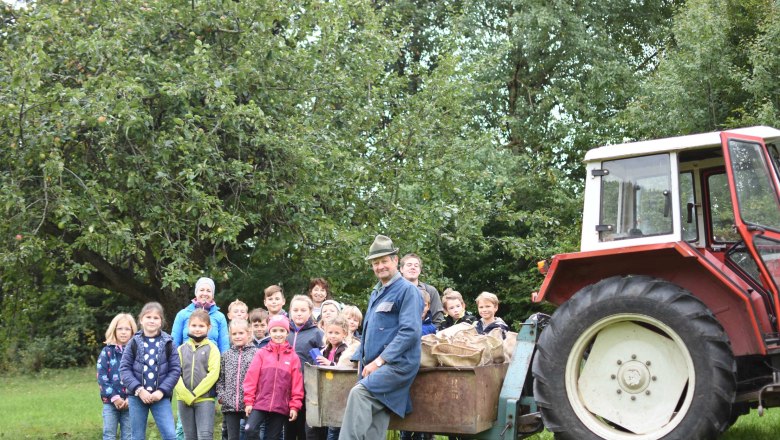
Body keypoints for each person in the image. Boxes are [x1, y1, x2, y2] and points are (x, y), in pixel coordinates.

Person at [340, 235, 423, 440]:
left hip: (397, 365)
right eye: (375, 263)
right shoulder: (377, 292)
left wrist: (379, 361)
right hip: (374, 365)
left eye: (384, 261)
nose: (380, 266)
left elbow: (410, 332)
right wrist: (359, 360)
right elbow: (369, 331)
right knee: (375, 420)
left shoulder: (408, 291)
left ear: (395, 261)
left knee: (359, 394)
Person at [120, 302, 181, 440]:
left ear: (161, 322)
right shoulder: (133, 342)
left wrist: (161, 391)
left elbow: (175, 370)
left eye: (156, 318)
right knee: (137, 436)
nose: (152, 320)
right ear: (141, 320)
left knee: (170, 435)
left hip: (160, 397)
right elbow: (124, 369)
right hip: (137, 396)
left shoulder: (169, 342)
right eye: (148, 317)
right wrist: (139, 390)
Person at [243, 316, 304, 440]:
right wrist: (249, 401)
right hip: (260, 402)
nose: (278, 334)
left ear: (287, 333)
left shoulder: (293, 357)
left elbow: (297, 385)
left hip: (280, 405)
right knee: (249, 429)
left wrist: (294, 406)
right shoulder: (261, 353)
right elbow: (251, 379)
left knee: (273, 437)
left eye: (282, 331)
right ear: (269, 332)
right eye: (274, 330)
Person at [175, 309, 220, 440]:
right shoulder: (181, 349)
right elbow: (175, 374)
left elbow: (213, 374)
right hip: (184, 401)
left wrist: (194, 394)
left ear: (209, 328)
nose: (197, 329)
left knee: (204, 436)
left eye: (201, 326)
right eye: (194, 325)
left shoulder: (213, 349)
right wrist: (185, 395)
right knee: (189, 436)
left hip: (205, 399)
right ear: (188, 326)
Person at [286, 294, 325, 440]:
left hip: (308, 387)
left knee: (306, 426)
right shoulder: (284, 332)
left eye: (303, 310)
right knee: (289, 425)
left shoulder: (317, 333)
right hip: (287, 387)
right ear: (290, 311)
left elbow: (323, 358)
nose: (299, 313)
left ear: (310, 312)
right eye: (295, 310)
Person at [97, 313, 137, 440]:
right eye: (120, 329)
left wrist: (131, 398)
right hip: (110, 402)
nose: (123, 332)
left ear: (133, 331)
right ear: (114, 330)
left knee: (130, 435)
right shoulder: (107, 352)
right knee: (109, 435)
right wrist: (115, 397)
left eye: (127, 329)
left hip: (131, 402)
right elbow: (102, 377)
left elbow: (140, 376)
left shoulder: (137, 352)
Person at [217, 319, 258, 440]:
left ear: (248, 333)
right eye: (234, 334)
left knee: (252, 434)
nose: (237, 336)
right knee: (232, 437)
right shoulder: (226, 355)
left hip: (250, 404)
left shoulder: (257, 353)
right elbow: (221, 378)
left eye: (241, 333)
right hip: (229, 405)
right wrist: (221, 395)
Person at [314, 317, 351, 440]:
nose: (333, 336)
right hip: (327, 391)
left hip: (339, 393)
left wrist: (328, 363)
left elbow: (344, 369)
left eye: (337, 333)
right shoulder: (326, 349)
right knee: (329, 426)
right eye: (330, 333)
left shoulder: (346, 350)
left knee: (335, 427)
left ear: (344, 334)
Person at [171, 277, 230, 353]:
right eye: (201, 290)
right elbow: (174, 344)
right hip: (187, 360)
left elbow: (224, 347)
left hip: (212, 361)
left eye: (208, 291)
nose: (205, 293)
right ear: (196, 292)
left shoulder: (220, 317)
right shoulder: (182, 314)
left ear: (213, 295)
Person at [399, 253, 444, 326]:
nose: (413, 267)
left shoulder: (431, 291)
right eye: (409, 265)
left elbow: (438, 320)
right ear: (401, 269)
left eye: (416, 266)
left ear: (419, 270)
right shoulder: (393, 291)